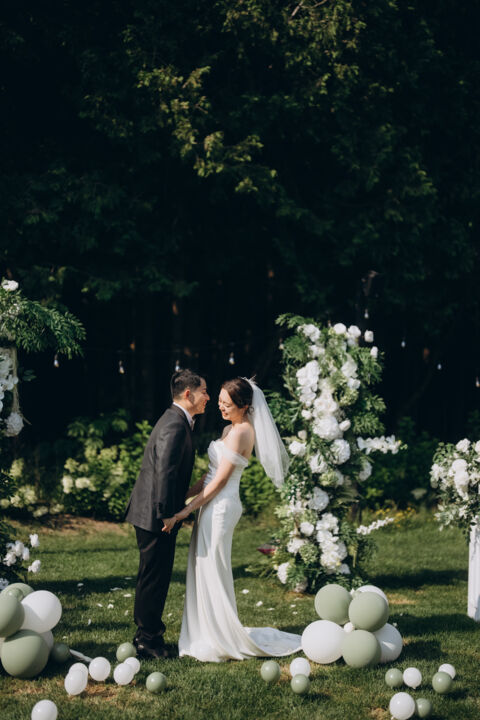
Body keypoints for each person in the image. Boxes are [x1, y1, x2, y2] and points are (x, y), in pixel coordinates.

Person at [162, 377, 302, 662]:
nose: (221, 407)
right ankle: (204, 631)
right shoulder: (229, 429)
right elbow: (210, 475)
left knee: (214, 567)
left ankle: (220, 635)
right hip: (210, 503)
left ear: (244, 406)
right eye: (220, 401)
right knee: (202, 565)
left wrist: (185, 511)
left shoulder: (243, 432)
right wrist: (184, 495)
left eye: (227, 404)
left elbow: (220, 482)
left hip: (222, 507)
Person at [125, 369, 209, 658]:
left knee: (155, 577)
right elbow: (165, 471)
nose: (208, 397)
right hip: (155, 516)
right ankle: (147, 641)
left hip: (155, 512)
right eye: (204, 392)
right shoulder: (174, 423)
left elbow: (170, 473)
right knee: (154, 578)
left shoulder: (177, 420)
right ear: (188, 394)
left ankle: (148, 635)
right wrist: (166, 515)